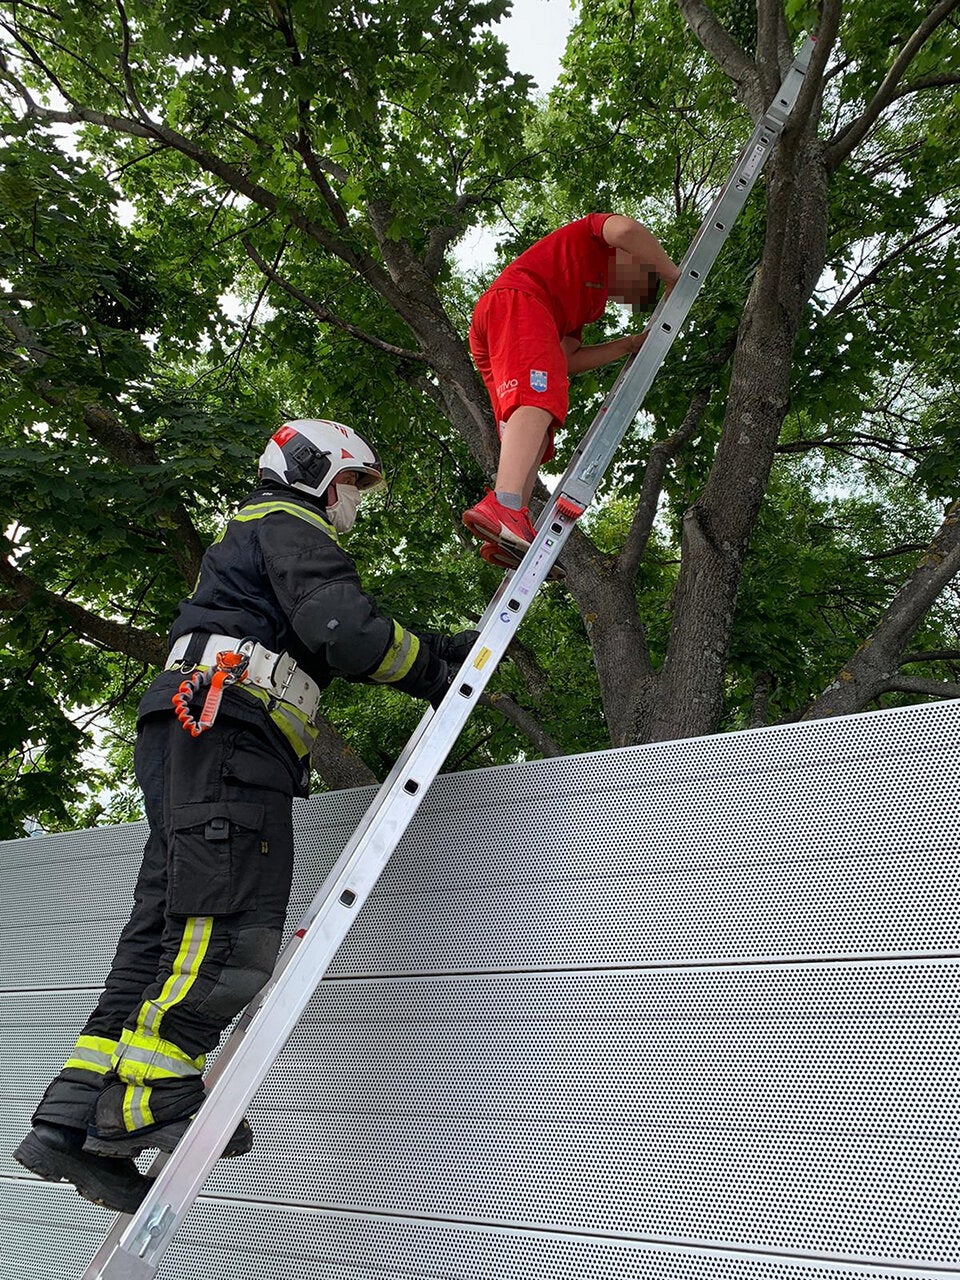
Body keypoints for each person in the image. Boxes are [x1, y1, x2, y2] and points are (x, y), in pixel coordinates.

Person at [13, 418, 477, 1214]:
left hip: (192, 733)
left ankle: (72, 1121)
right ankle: (148, 1100)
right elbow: (345, 631)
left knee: (162, 929)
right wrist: (439, 668)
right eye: (352, 483)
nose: (354, 501)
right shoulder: (289, 523)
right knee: (227, 920)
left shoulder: (250, 541)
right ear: (315, 472)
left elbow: (319, 633)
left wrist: (431, 653)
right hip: (230, 735)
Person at [462, 213, 680, 560]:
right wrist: (672, 276)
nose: (624, 296)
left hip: (505, 321)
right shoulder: (592, 236)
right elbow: (625, 229)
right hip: (519, 300)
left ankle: (510, 525)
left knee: (537, 420)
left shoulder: (589, 303)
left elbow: (565, 359)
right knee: (537, 398)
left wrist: (626, 346)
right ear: (632, 258)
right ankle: (503, 505)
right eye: (637, 283)